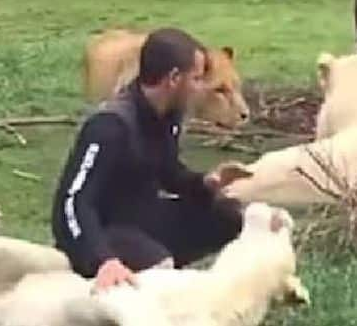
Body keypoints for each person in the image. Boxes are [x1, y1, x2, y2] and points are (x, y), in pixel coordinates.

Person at [51, 28, 244, 291]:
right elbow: (72, 204)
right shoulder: (110, 126)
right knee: (159, 263)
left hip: (142, 217)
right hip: (104, 231)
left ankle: (162, 271)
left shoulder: (168, 116)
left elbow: (168, 172)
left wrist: (206, 183)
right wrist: (102, 259)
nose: (201, 88)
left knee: (229, 217)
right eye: (197, 79)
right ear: (174, 79)